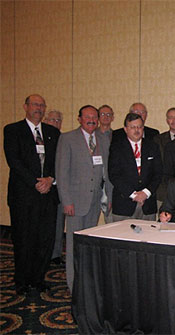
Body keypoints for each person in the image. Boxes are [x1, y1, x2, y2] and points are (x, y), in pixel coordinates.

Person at [4, 94, 60, 295]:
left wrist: (50, 179)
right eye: (35, 104)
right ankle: (22, 280)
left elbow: (56, 161)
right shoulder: (12, 130)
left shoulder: (52, 132)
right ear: (25, 106)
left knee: (45, 239)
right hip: (24, 196)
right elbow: (14, 161)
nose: (39, 108)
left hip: (48, 195)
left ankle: (38, 278)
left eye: (42, 105)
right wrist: (36, 182)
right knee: (24, 239)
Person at [56, 105, 112, 293]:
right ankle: (73, 285)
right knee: (73, 245)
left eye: (94, 117)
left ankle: (87, 283)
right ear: (79, 118)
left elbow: (107, 173)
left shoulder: (102, 140)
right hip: (75, 203)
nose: (91, 120)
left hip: (95, 202)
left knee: (88, 244)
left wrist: (109, 197)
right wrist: (66, 201)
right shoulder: (67, 138)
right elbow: (61, 173)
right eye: (87, 116)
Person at [108, 113, 162, 221]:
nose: (136, 130)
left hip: (148, 204)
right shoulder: (116, 147)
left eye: (139, 127)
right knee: (123, 237)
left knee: (148, 237)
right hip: (124, 204)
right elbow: (114, 175)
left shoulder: (153, 146)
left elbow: (158, 173)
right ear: (125, 129)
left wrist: (145, 193)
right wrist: (134, 195)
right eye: (132, 127)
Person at [43, 110, 66, 265]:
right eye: (52, 120)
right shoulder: (39, 138)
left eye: (58, 120)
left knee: (58, 224)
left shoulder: (64, 139)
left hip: (59, 188)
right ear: (45, 120)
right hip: (40, 187)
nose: (55, 123)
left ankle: (55, 254)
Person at [153, 107, 175, 203]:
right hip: (162, 192)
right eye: (170, 117)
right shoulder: (157, 140)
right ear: (167, 121)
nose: (174, 120)